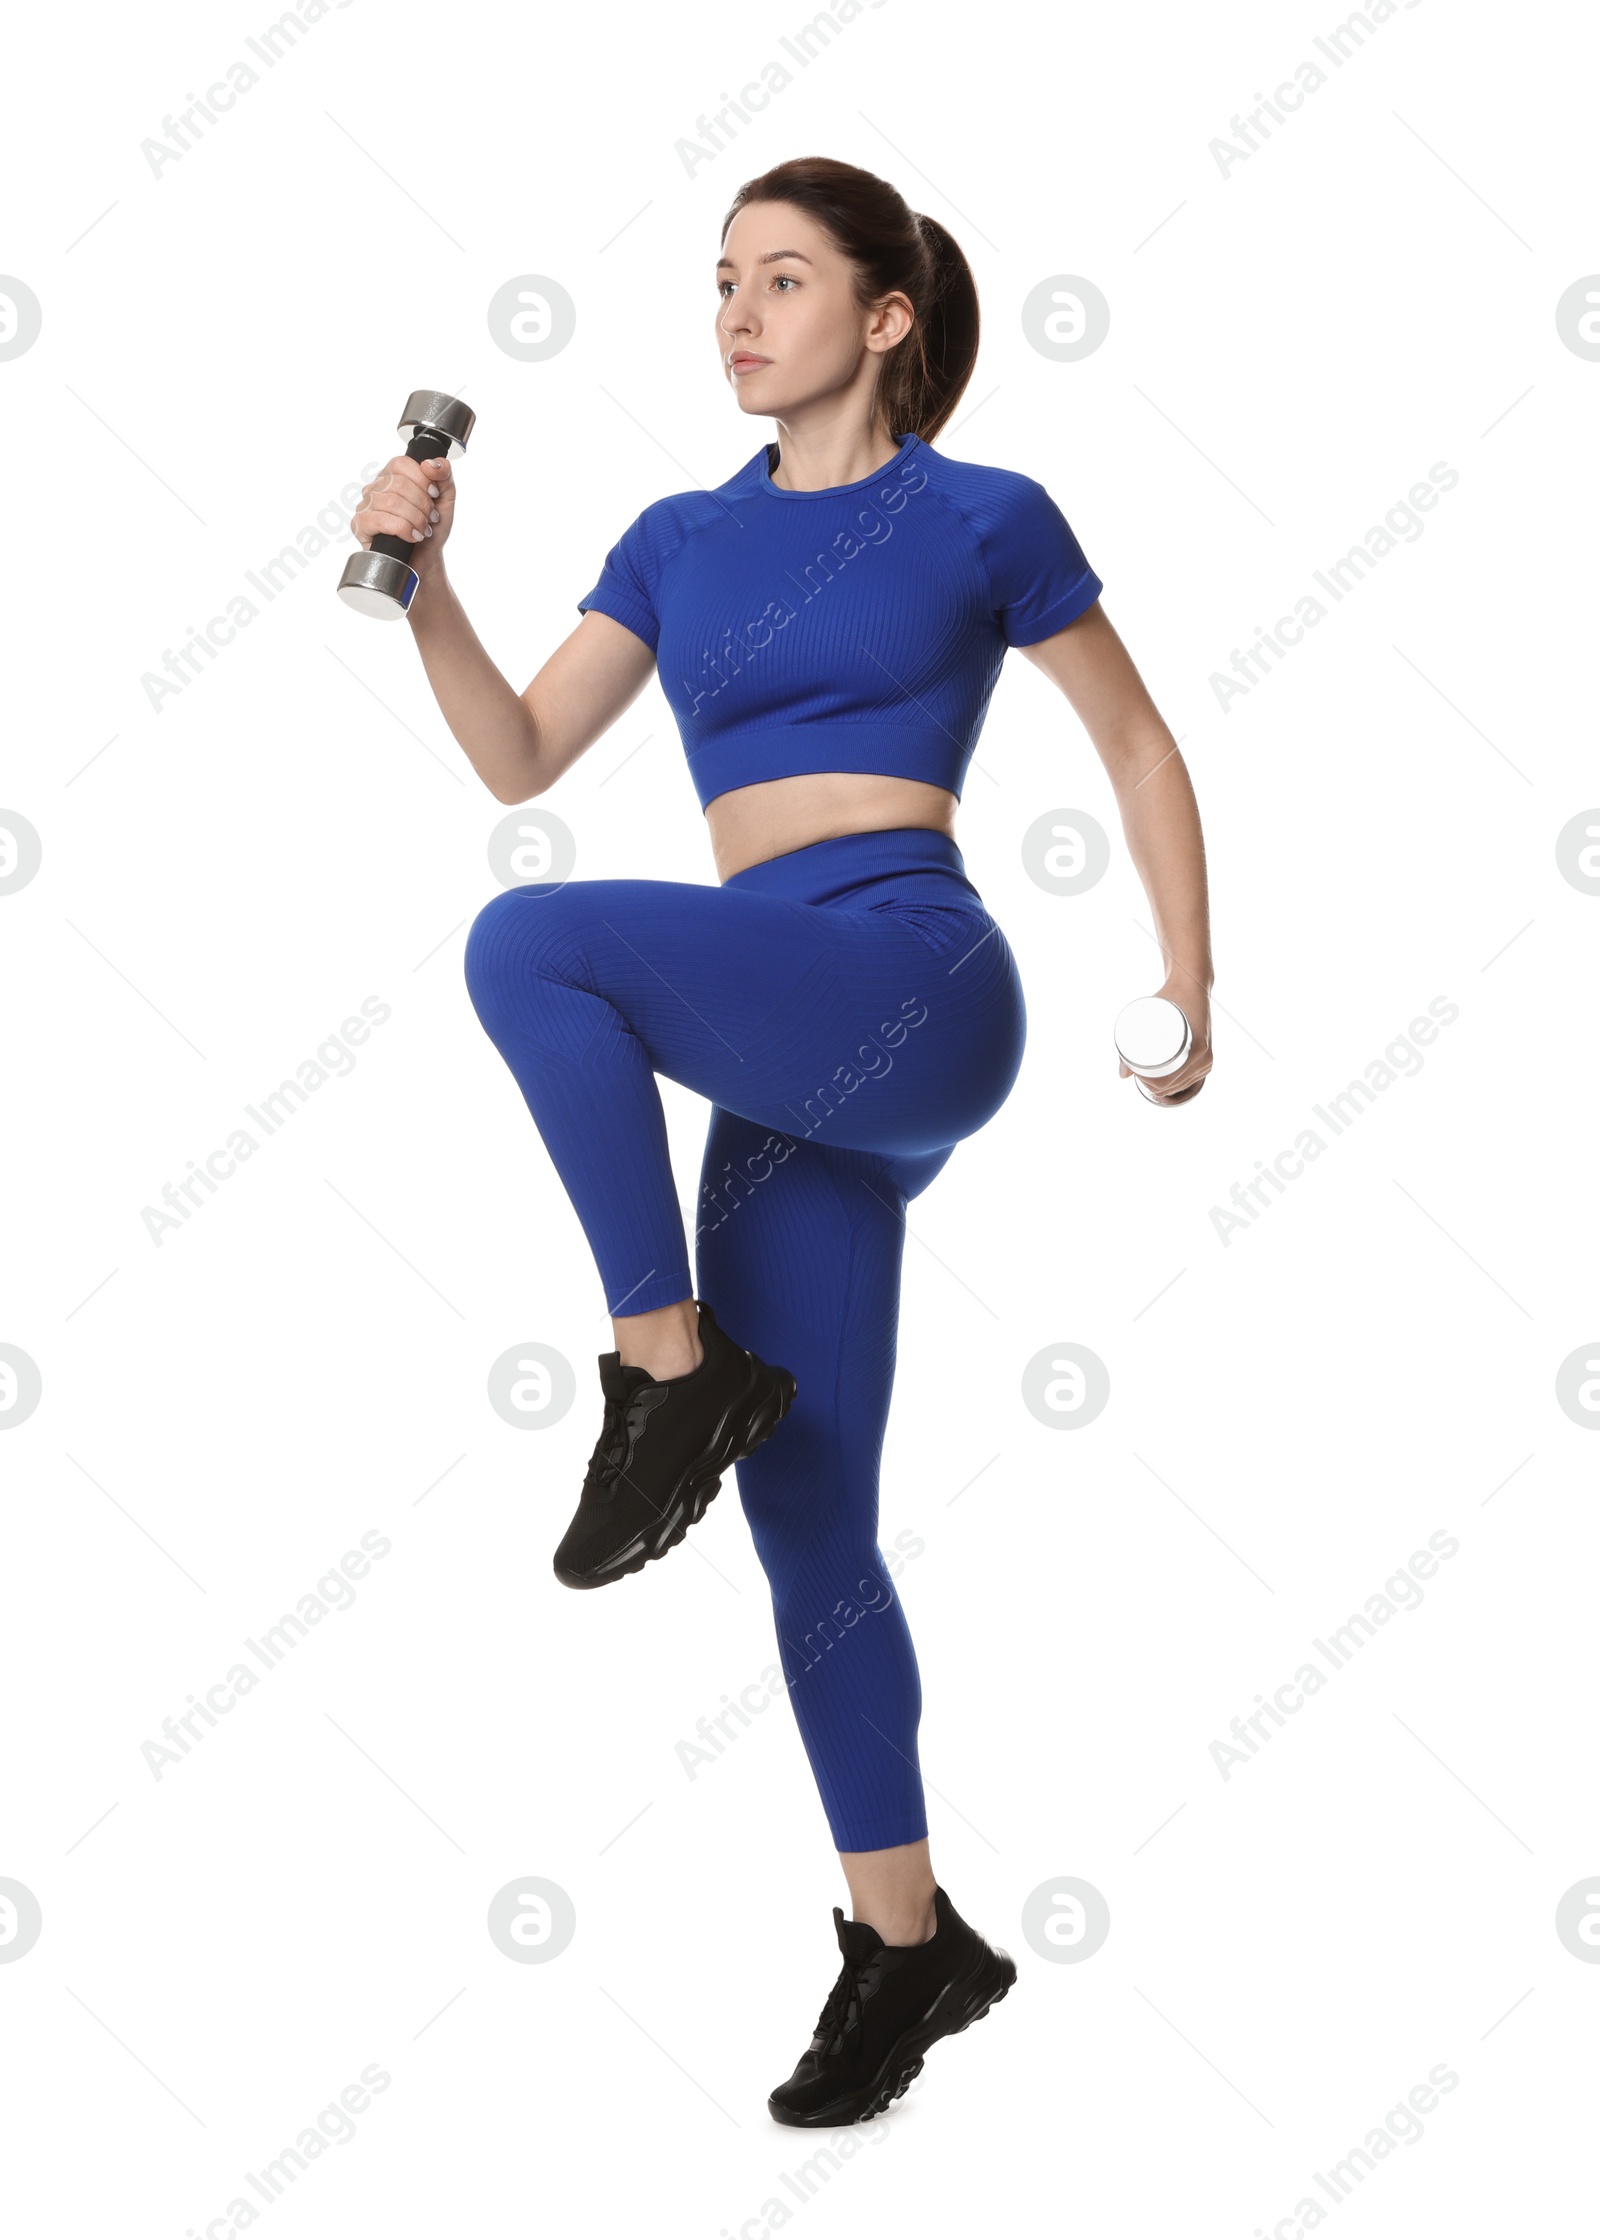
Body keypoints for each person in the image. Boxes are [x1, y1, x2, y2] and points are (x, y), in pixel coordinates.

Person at [350, 154, 1213, 2128]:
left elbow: (1137, 742)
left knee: (534, 941)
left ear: (885, 315)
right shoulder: (673, 537)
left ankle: (666, 1368)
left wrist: (1189, 977)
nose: (737, 313)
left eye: (783, 280)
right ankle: (907, 1946)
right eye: (719, 281)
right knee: (804, 1520)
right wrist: (424, 580)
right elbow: (515, 756)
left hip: (906, 982)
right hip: (768, 1051)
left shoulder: (982, 514)